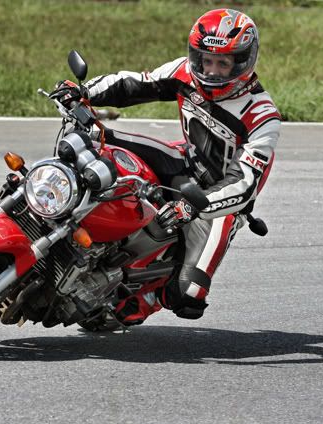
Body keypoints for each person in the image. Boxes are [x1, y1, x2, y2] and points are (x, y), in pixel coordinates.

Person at [51, 9, 281, 324]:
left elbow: (244, 185)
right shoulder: (185, 71)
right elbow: (136, 84)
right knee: (95, 138)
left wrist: (195, 207)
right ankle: (60, 215)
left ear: (243, 62)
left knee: (189, 297)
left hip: (219, 203)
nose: (211, 71)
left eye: (223, 63)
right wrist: (84, 92)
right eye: (205, 60)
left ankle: (145, 295)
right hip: (183, 161)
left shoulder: (262, 115)